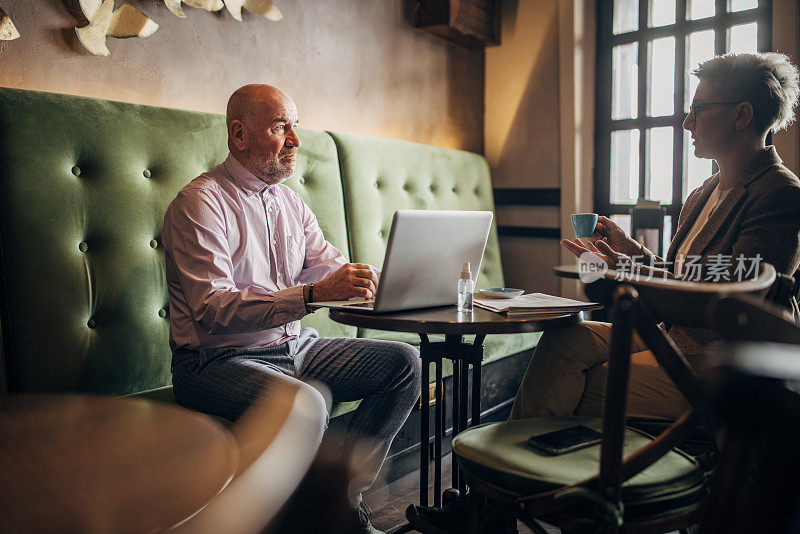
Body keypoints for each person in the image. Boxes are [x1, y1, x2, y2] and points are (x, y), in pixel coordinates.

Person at [408, 51, 800, 533]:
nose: (686, 120)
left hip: (715, 363)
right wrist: (633, 255)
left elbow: (737, 296)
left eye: (699, 109)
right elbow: (683, 272)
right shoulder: (705, 192)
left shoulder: (780, 194)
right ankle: (500, 502)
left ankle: (512, 506)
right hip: (674, 336)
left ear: (742, 115)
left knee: (584, 384)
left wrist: (630, 272)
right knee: (565, 340)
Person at [163, 84, 421, 534]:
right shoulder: (199, 204)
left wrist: (392, 284)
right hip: (214, 361)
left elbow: (334, 268)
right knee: (305, 402)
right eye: (282, 127)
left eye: (295, 127)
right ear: (239, 135)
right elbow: (213, 309)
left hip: (296, 348)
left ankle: (340, 501)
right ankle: (315, 520)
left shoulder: (290, 203)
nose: (296, 141)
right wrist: (311, 296)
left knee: (405, 363)